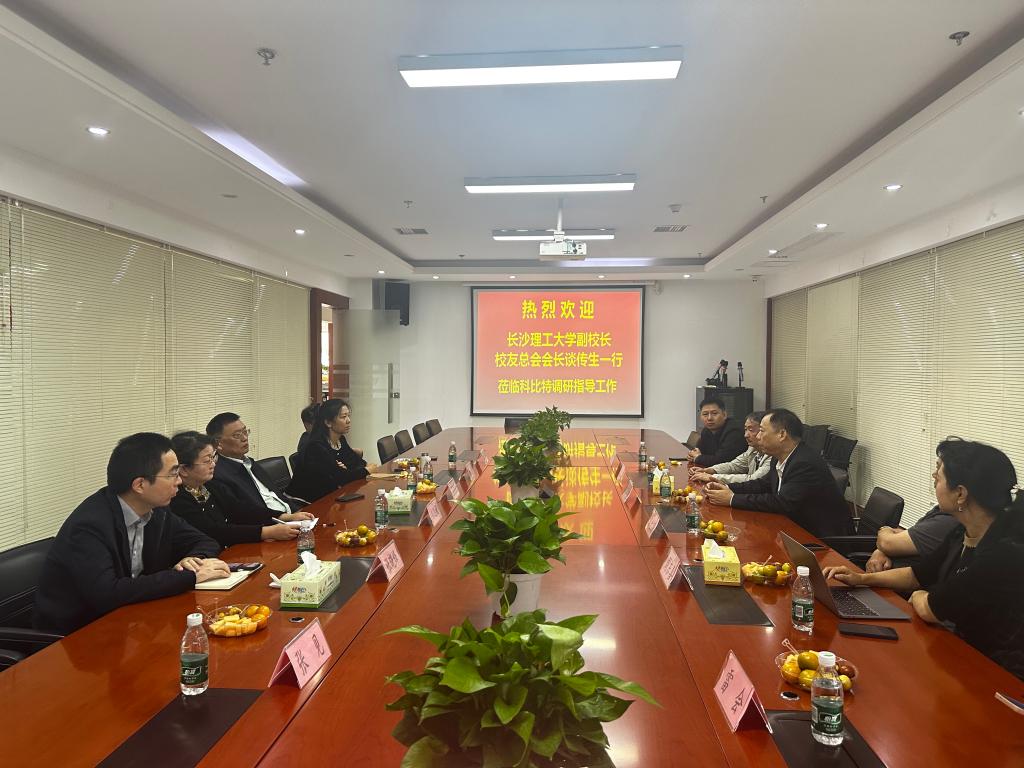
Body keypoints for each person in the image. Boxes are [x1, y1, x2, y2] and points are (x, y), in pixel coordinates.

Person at [825, 439, 1024, 681]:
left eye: (939, 475)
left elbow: (932, 609)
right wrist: (861, 579)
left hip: (999, 674)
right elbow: (917, 575)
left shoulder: (1004, 551)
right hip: (958, 652)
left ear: (961, 494)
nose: (933, 477)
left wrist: (920, 596)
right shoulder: (961, 532)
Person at [33, 433, 228, 635]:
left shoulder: (157, 511)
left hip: (133, 621)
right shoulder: (90, 525)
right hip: (78, 635)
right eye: (172, 474)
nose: (179, 481)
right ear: (140, 485)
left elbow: (205, 541)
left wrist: (193, 561)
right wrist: (188, 577)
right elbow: (107, 594)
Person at [704, 409, 851, 537]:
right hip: (791, 530)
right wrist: (725, 487)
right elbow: (762, 484)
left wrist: (732, 499)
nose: (758, 436)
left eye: (762, 431)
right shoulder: (779, 457)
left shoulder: (804, 463)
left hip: (820, 540)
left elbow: (783, 503)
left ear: (782, 434)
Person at [170, 431, 302, 548]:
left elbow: (241, 509)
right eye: (206, 460)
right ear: (184, 469)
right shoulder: (177, 498)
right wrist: (266, 532)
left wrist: (285, 517)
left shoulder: (210, 485)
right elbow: (213, 531)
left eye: (213, 457)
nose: (213, 464)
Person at [207, 412, 309, 516]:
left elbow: (278, 496)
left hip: (292, 515)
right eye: (237, 435)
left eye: (245, 431)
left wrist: (298, 512)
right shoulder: (218, 475)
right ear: (218, 443)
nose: (245, 438)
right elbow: (246, 514)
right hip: (273, 522)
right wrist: (286, 518)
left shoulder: (250, 462)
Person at [287, 399, 379, 501]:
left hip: (329, 494)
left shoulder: (340, 440)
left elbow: (356, 462)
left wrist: (361, 468)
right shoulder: (316, 446)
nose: (348, 420)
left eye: (348, 416)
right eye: (343, 417)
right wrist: (366, 470)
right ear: (328, 422)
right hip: (303, 501)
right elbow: (342, 477)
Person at [864, 503, 959, 573]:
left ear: (960, 493)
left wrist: (885, 530)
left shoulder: (948, 521)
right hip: (886, 577)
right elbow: (909, 535)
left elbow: (887, 543)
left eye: (939, 481)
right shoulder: (940, 510)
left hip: (900, 586)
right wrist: (881, 551)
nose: (934, 484)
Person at [690, 411, 770, 484]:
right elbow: (734, 465)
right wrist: (709, 470)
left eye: (751, 430)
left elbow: (754, 479)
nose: (746, 435)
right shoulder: (752, 449)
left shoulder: (772, 454)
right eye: (745, 429)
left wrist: (713, 477)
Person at [687, 396, 747, 467]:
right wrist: (692, 455)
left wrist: (698, 458)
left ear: (724, 415)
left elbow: (721, 461)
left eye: (714, 413)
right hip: (712, 470)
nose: (709, 418)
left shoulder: (734, 431)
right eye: (705, 414)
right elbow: (698, 452)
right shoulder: (706, 431)